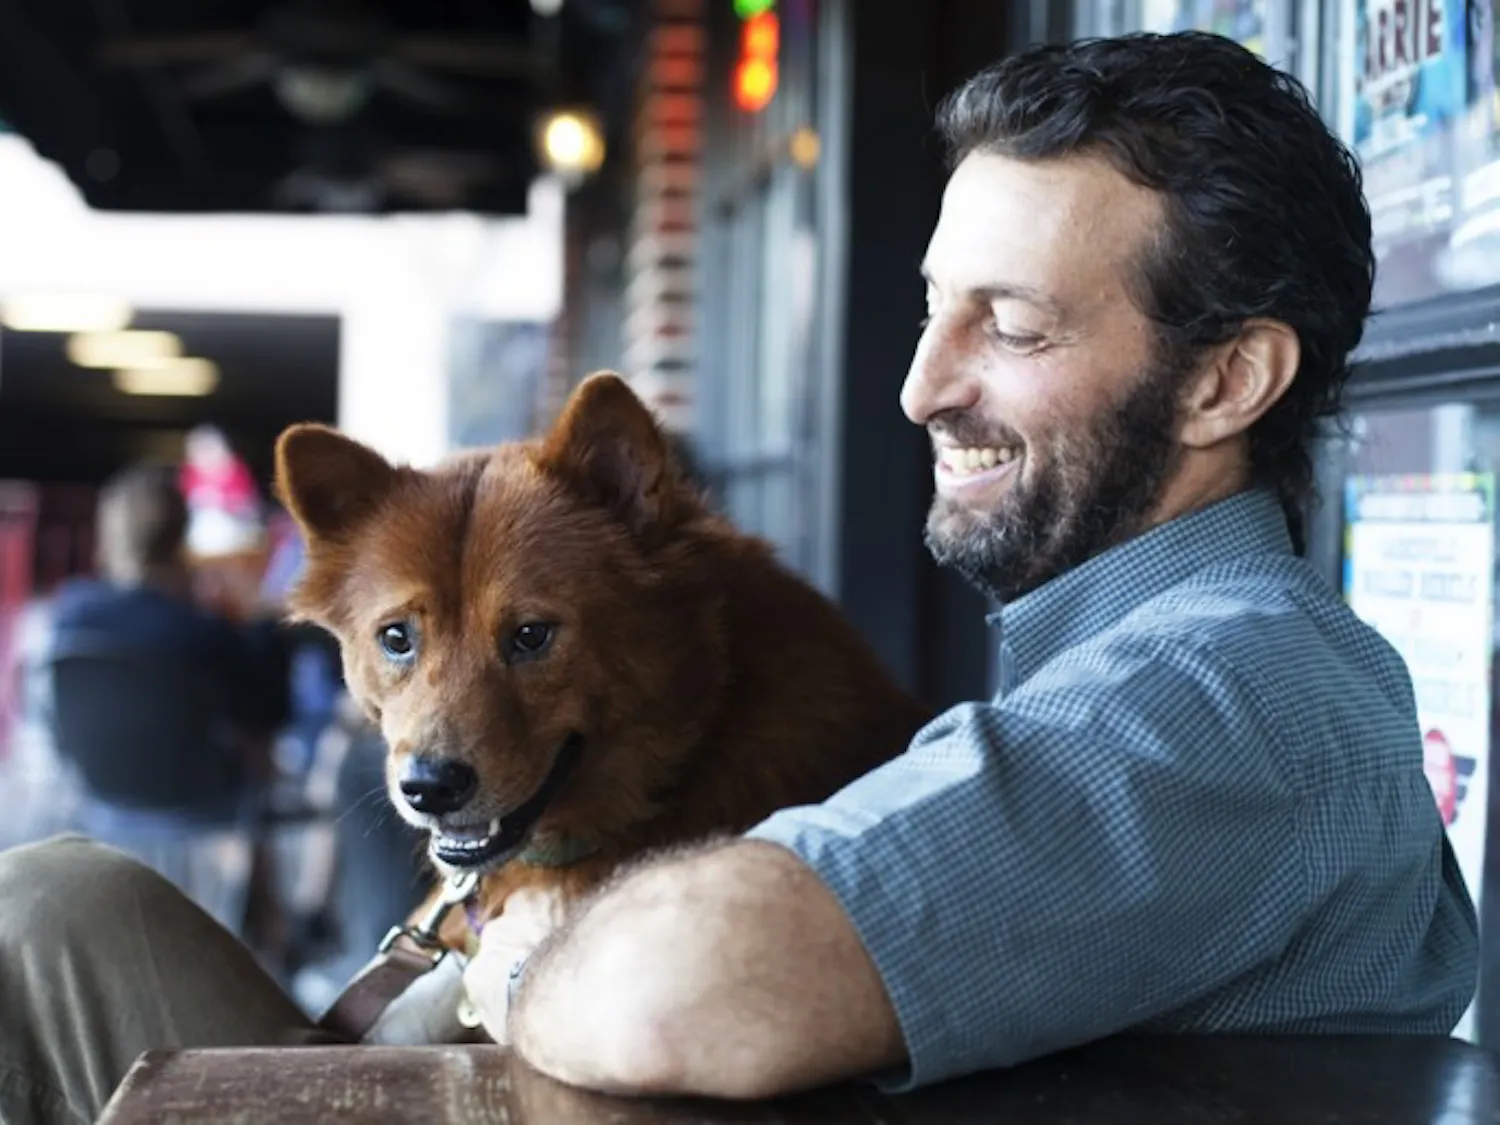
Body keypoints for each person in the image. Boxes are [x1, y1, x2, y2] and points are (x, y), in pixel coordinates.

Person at [0, 30, 1477, 1124]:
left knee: (41, 917)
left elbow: (679, 987)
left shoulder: (1228, 696)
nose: (916, 390)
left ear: (1226, 379)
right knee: (52, 904)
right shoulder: (1142, 667)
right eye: (928, 314)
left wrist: (520, 944)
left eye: (1011, 330)